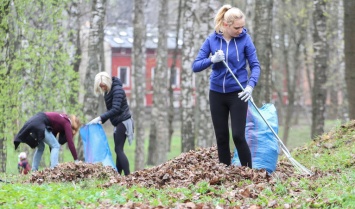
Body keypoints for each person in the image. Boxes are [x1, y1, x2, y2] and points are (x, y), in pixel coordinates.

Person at [192, 5, 261, 168]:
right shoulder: (211, 40)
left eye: (243, 26)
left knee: (238, 136)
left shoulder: (245, 40)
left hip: (239, 93)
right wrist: (212, 59)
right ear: (226, 25)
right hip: (217, 94)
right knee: (222, 137)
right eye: (237, 27)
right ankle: (225, 173)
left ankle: (247, 173)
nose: (241, 30)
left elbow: (255, 66)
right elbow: (195, 66)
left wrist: (250, 86)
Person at [87, 72, 134, 176]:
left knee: (118, 149)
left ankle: (128, 176)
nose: (102, 88)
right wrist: (101, 121)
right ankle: (118, 175)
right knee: (118, 149)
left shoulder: (117, 90)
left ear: (108, 82)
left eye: (103, 85)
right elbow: (112, 110)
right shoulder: (109, 91)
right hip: (118, 122)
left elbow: (116, 109)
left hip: (124, 121)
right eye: (100, 86)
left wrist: (100, 117)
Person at [14, 112, 81, 170]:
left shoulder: (61, 119)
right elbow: (70, 143)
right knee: (56, 146)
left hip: (34, 122)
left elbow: (58, 141)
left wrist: (69, 135)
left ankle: (34, 169)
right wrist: (76, 160)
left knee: (41, 147)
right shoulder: (67, 123)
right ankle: (54, 168)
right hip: (39, 123)